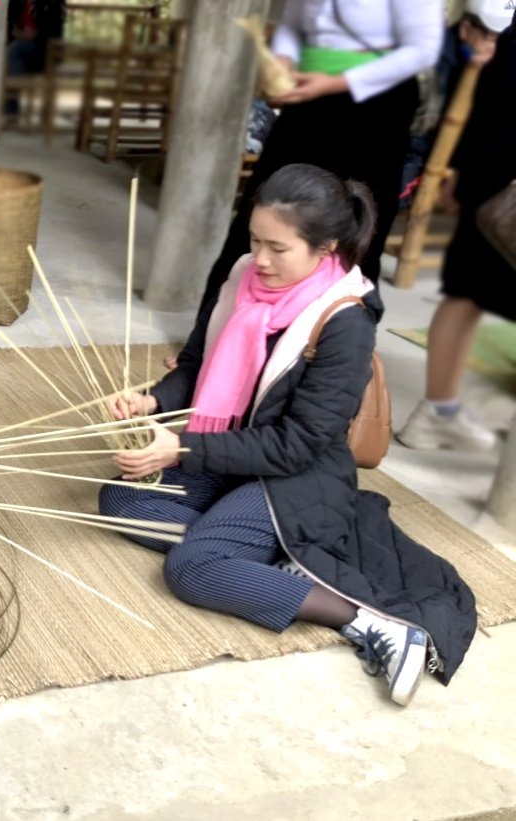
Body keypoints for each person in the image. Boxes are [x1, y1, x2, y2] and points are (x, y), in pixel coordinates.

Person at [99, 164, 477, 706]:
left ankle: (370, 621)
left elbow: (298, 443)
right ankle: (263, 553)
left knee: (193, 570)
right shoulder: (242, 280)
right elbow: (197, 363)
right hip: (232, 452)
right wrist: (154, 401)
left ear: (326, 248)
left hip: (298, 476)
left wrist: (180, 447)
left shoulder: (345, 322)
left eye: (278, 248)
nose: (261, 259)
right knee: (121, 499)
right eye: (255, 240)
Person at [193, 0, 444, 321]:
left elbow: (422, 50)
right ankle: (214, 333)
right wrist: (283, 60)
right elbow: (293, 26)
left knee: (359, 222)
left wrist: (338, 82)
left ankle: (336, 340)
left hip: (375, 104)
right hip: (308, 98)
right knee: (266, 206)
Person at [396, 10, 514, 452]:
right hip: (497, 187)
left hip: (488, 179)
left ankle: (437, 412)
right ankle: (437, 413)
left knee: (464, 296)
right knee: (465, 295)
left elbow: (488, 100)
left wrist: (460, 170)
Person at [399, 0, 506, 209]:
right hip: (410, 155)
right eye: (489, 37)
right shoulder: (431, 58)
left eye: (500, 40)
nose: (492, 49)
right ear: (465, 28)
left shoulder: (492, 65)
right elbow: (417, 133)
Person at [4, 0, 66, 117]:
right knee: (14, 58)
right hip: (18, 49)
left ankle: (10, 108)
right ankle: (10, 109)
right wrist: (16, 34)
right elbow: (10, 23)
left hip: (43, 51)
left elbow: (54, 31)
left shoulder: (53, 3)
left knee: (15, 50)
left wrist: (34, 36)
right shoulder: (17, 2)